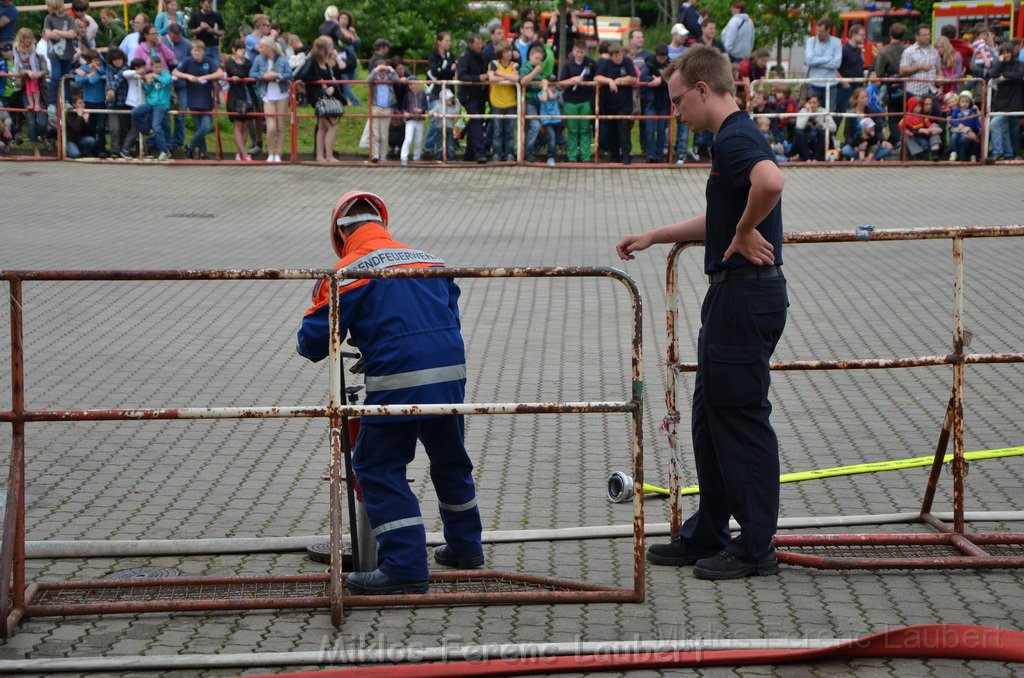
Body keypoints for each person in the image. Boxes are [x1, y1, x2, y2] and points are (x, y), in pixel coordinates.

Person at [617, 45, 787, 580]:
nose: (674, 113)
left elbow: (771, 183)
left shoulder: (737, 138)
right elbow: (720, 214)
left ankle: (756, 546)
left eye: (676, 102)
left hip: (746, 296)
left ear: (701, 90)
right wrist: (655, 236)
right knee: (711, 418)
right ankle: (709, 531)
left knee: (738, 420)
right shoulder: (730, 141)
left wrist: (743, 232)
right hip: (733, 294)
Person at [297, 191, 483, 595]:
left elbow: (313, 344)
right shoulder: (431, 260)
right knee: (450, 461)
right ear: (382, 223)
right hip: (450, 374)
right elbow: (442, 313)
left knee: (377, 467)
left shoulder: (346, 272)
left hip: (397, 382)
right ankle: (466, 548)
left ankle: (403, 566)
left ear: (340, 233)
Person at [297, 34, 345, 163]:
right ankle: (328, 155)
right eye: (330, 46)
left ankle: (320, 156)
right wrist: (320, 81)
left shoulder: (326, 62)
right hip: (318, 98)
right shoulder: (312, 61)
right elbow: (303, 75)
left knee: (322, 127)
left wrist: (331, 86)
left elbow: (330, 79)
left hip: (326, 97)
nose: (333, 48)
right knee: (333, 126)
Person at [173, 38, 222, 159]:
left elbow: (220, 73)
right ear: (191, 51)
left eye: (200, 50)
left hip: (206, 100)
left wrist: (205, 77)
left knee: (205, 127)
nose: (197, 53)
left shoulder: (208, 61)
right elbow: (175, 72)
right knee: (199, 128)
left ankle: (189, 146)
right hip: (193, 99)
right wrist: (188, 76)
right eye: (195, 50)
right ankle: (203, 153)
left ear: (203, 52)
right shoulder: (187, 61)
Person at [250, 34, 292, 163]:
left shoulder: (282, 59)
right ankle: (270, 153)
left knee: (280, 125)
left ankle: (278, 154)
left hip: (282, 94)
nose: (260, 49)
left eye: (262, 47)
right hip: (267, 94)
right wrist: (263, 76)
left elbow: (290, 74)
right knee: (271, 126)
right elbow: (252, 73)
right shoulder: (258, 59)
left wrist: (277, 75)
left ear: (269, 48)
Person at [594, 42, 636, 164]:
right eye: (616, 56)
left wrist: (619, 80)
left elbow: (633, 78)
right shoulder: (606, 64)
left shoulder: (627, 62)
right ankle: (615, 155)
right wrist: (609, 81)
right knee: (612, 130)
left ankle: (626, 155)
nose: (619, 58)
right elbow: (597, 77)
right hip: (609, 103)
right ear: (611, 56)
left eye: (620, 55)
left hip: (624, 103)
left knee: (623, 129)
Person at [558, 39, 595, 163]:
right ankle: (572, 156)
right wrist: (573, 80)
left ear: (585, 52)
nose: (579, 54)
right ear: (573, 51)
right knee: (572, 129)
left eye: (582, 52)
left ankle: (586, 156)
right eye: (577, 52)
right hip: (571, 101)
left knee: (585, 129)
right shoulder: (568, 65)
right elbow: (561, 84)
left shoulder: (591, 64)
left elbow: (598, 78)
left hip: (586, 101)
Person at [132, 55, 172, 161]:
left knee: (156, 125)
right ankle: (148, 131)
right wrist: (148, 83)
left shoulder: (166, 74)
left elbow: (167, 81)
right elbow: (149, 91)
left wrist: (155, 76)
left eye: (160, 67)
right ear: (152, 67)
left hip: (161, 105)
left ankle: (165, 151)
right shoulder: (150, 76)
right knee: (136, 112)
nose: (158, 69)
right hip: (150, 103)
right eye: (156, 67)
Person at [872, 22, 906, 147]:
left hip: (891, 86)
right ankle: (896, 140)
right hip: (907, 86)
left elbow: (879, 72)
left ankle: (897, 140)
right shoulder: (907, 49)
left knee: (892, 115)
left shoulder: (885, 52)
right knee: (905, 113)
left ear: (891, 33)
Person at [456, 32, 488, 163]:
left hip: (479, 95)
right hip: (469, 95)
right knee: (476, 123)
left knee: (475, 123)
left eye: (481, 43)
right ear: (470, 44)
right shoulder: (465, 58)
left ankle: (469, 154)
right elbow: (462, 76)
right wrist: (478, 78)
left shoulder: (480, 56)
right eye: (477, 43)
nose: (480, 45)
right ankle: (480, 153)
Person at [989, 42, 1024, 161]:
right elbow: (993, 74)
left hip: (1014, 102)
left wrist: (1004, 76)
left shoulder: (1019, 64)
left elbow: (1019, 74)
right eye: (1003, 53)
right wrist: (998, 62)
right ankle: (1007, 153)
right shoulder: (1001, 64)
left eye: (1008, 52)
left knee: (997, 124)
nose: (1006, 55)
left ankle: (999, 151)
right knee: (1003, 128)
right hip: (1002, 102)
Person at [840, 87, 892, 161]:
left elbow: (878, 129)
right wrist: (854, 145)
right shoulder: (851, 114)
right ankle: (867, 159)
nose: (865, 99)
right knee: (845, 150)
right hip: (856, 143)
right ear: (856, 99)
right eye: (862, 97)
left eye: (866, 97)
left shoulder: (872, 112)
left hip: (871, 144)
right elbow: (847, 134)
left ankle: (864, 158)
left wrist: (883, 140)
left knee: (888, 148)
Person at [42, 0, 76, 112]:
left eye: (48, 6)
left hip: (67, 53)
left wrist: (56, 31)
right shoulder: (48, 18)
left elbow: (72, 34)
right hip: (54, 53)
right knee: (56, 76)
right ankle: (52, 103)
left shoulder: (69, 19)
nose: (47, 8)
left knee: (65, 77)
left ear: (54, 6)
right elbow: (48, 34)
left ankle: (66, 101)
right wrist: (61, 34)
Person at [224, 39, 255, 161]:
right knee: (238, 124)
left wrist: (240, 75)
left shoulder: (247, 62)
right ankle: (243, 154)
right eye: (240, 48)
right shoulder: (229, 62)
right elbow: (235, 72)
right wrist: (240, 75)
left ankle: (241, 152)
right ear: (234, 49)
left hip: (247, 95)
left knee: (246, 125)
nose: (243, 51)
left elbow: (249, 74)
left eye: (244, 48)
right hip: (235, 96)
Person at [487, 40, 518, 162]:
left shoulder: (514, 65)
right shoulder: (493, 64)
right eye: (507, 51)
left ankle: (510, 153)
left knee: (510, 131)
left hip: (511, 102)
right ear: (501, 53)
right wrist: (506, 76)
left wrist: (500, 74)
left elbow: (515, 78)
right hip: (497, 102)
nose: (509, 53)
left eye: (510, 51)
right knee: (497, 131)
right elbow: (491, 78)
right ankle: (497, 153)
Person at [641, 44, 670, 163]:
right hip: (651, 102)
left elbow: (673, 78)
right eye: (660, 58)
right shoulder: (650, 62)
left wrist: (660, 80)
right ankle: (651, 154)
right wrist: (654, 80)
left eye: (664, 58)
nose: (662, 61)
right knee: (650, 130)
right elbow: (643, 77)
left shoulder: (670, 63)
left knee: (662, 130)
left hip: (664, 102)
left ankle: (659, 154)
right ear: (656, 55)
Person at [366, 59, 398, 162]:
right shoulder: (374, 78)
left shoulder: (389, 77)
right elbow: (368, 80)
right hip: (376, 107)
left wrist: (392, 70)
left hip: (387, 108)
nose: (382, 71)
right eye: (380, 69)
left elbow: (397, 80)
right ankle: (374, 155)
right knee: (375, 134)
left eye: (384, 68)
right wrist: (376, 70)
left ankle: (383, 156)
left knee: (384, 134)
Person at [805, 18, 841, 110]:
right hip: (813, 84)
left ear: (828, 30)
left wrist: (816, 62)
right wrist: (828, 58)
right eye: (817, 30)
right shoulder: (811, 41)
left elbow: (837, 63)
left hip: (831, 85)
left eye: (821, 31)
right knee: (811, 111)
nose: (818, 33)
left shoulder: (836, 42)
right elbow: (809, 60)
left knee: (828, 112)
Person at [900, 24, 939, 103]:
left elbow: (939, 70)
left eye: (928, 34)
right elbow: (902, 70)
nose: (927, 37)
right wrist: (920, 67)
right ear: (917, 36)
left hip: (932, 91)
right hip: (915, 92)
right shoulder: (909, 52)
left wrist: (941, 85)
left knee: (937, 114)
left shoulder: (934, 51)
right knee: (916, 115)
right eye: (924, 35)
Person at [793, 93, 835, 161]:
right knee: (798, 133)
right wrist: (808, 113)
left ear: (818, 103)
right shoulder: (803, 111)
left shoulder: (823, 111)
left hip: (819, 138)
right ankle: (807, 159)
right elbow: (799, 126)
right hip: (807, 138)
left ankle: (816, 159)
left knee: (824, 133)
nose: (812, 105)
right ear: (806, 103)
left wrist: (821, 124)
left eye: (814, 103)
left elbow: (833, 128)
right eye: (810, 102)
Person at [835, 23, 865, 115]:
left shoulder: (859, 50)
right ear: (853, 35)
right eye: (862, 35)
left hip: (858, 86)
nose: (864, 37)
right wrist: (844, 83)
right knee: (840, 113)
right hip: (845, 88)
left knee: (857, 114)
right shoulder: (843, 50)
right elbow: (835, 69)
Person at [188, 0, 224, 68]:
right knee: (202, 66)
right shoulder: (195, 15)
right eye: (206, 6)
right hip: (200, 45)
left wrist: (213, 31)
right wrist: (200, 28)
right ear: (201, 4)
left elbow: (222, 31)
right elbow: (190, 32)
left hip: (213, 45)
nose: (208, 8)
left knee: (216, 66)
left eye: (210, 6)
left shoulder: (217, 15)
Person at [399, 76, 426, 164]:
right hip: (410, 119)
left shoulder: (423, 94)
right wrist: (405, 112)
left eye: (415, 83)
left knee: (418, 140)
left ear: (418, 84)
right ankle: (403, 157)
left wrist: (421, 110)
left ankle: (416, 157)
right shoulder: (406, 95)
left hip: (419, 119)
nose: (413, 86)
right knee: (408, 139)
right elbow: (403, 106)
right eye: (411, 84)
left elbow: (426, 105)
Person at [948, 90, 980, 162]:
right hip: (958, 129)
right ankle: (954, 152)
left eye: (967, 102)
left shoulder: (973, 111)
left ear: (970, 103)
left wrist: (979, 129)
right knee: (954, 136)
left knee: (964, 138)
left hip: (969, 130)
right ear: (959, 102)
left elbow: (976, 122)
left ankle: (964, 157)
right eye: (962, 102)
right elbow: (952, 120)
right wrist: (958, 124)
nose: (964, 104)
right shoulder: (957, 110)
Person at [538, 76, 561, 165]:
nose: (553, 87)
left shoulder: (557, 92)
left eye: (554, 85)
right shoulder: (540, 93)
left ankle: (555, 154)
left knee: (555, 139)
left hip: (557, 120)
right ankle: (550, 157)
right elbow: (544, 99)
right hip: (547, 120)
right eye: (550, 85)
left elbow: (552, 97)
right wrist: (545, 88)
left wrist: (547, 87)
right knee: (551, 137)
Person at [65, 91, 96, 157]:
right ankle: (70, 151)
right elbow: (76, 129)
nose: (83, 105)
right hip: (71, 140)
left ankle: (84, 152)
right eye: (80, 103)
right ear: (74, 104)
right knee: (75, 154)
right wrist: (79, 117)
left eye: (83, 103)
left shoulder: (86, 113)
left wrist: (86, 121)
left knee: (91, 140)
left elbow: (89, 132)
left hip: (81, 140)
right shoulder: (70, 114)